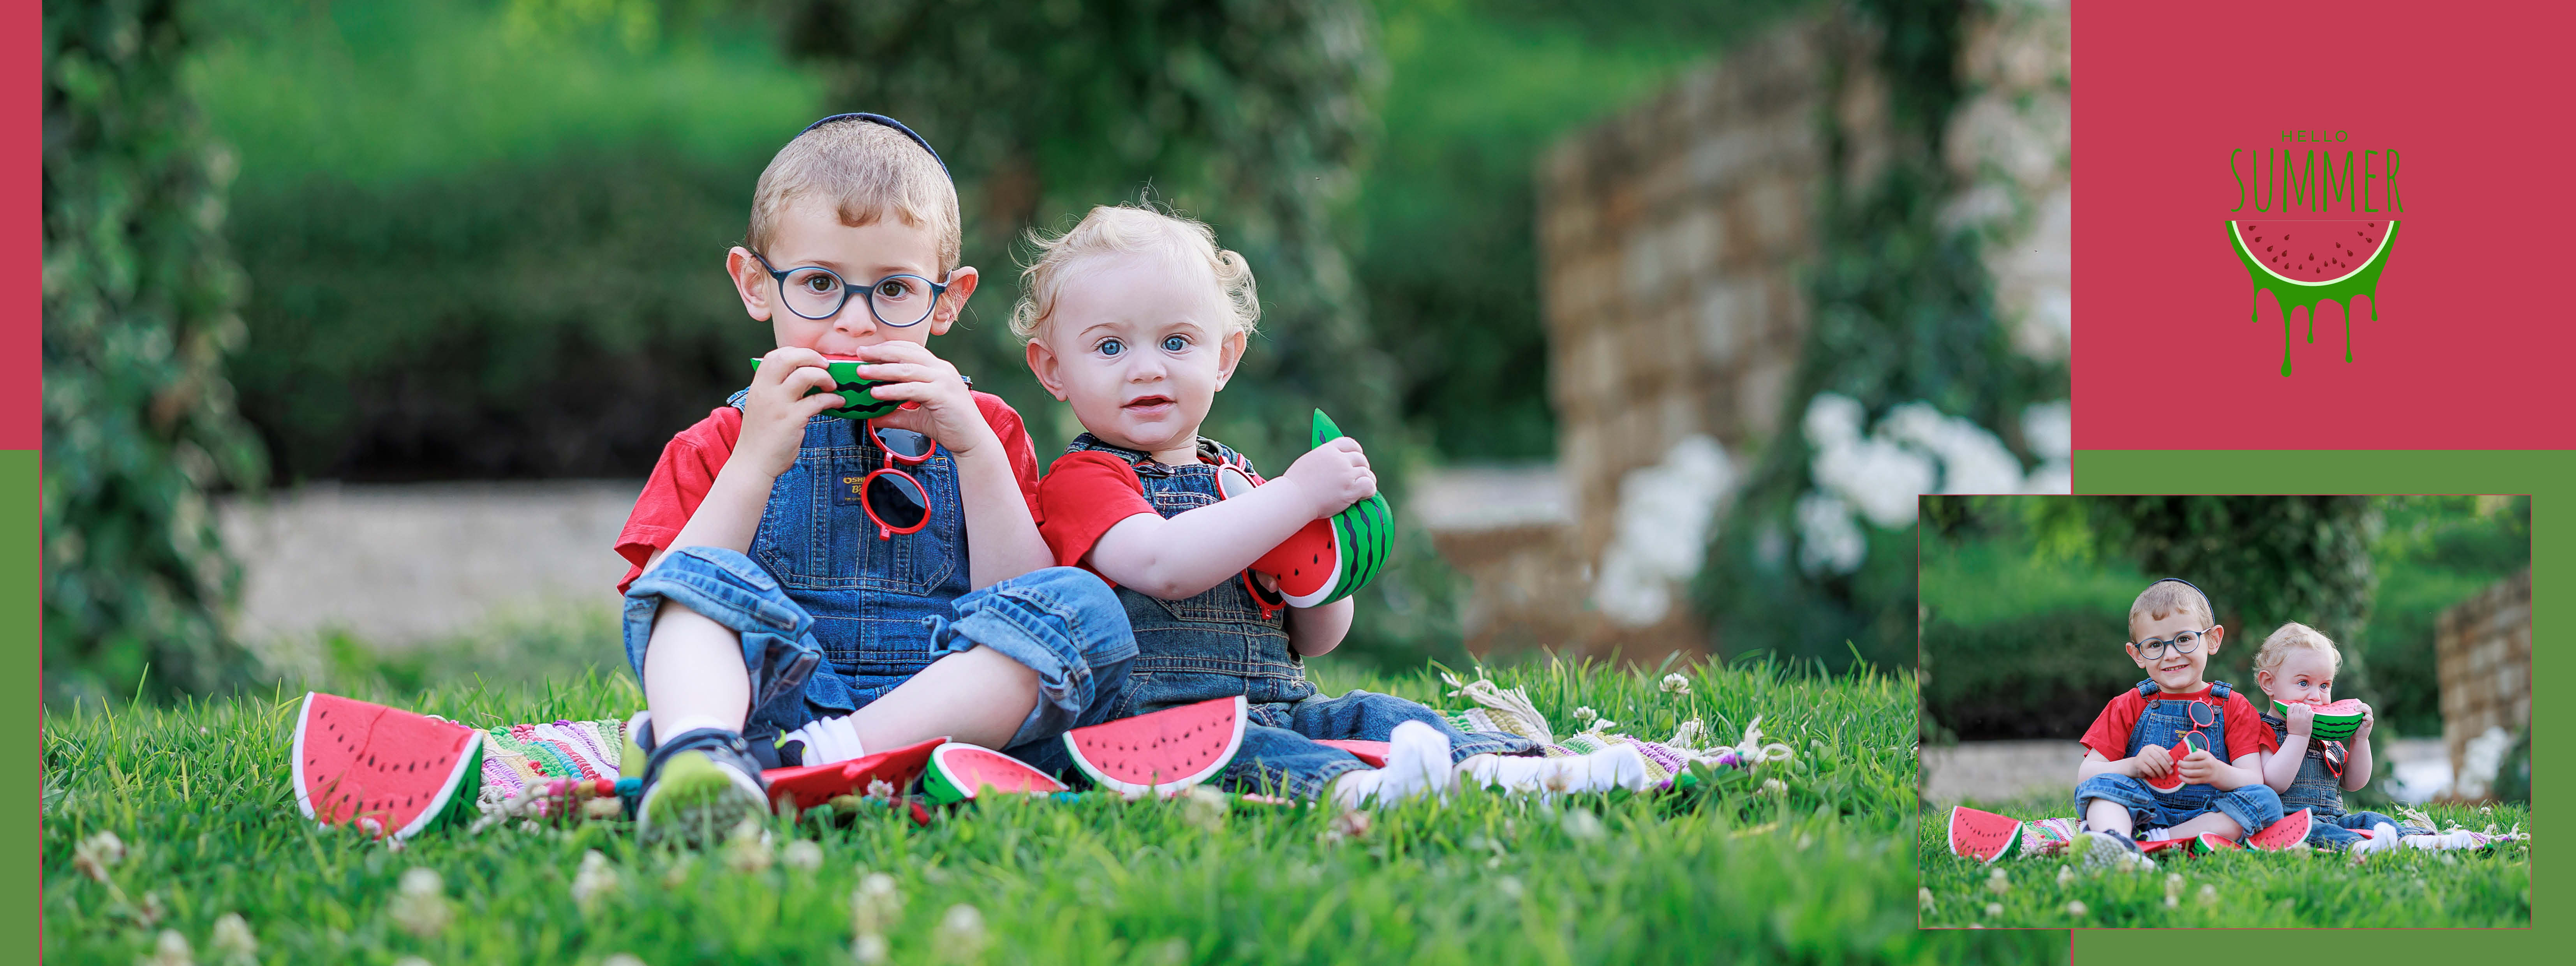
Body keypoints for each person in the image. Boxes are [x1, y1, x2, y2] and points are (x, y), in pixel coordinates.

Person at [1013, 204, 1649, 807]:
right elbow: (1164, 565)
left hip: (1280, 702)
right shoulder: (1082, 481)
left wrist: (1319, 560)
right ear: (1052, 369)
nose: (1148, 369)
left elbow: (1317, 637)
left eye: (1176, 342)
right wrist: (1294, 497)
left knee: (1375, 713)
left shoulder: (1239, 480)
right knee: (1255, 754)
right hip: (1158, 724)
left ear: (1224, 358)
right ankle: (1362, 790)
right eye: (1110, 347)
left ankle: (1519, 772)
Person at [613, 114, 1135, 842]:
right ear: (756, 285)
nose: (856, 323)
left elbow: (1020, 599)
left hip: (949, 718)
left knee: (1085, 606)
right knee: (687, 577)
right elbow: (661, 601)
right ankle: (703, 752)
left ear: (946, 300)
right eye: (819, 283)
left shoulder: (985, 430)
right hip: (773, 706)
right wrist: (754, 462)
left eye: (893, 289)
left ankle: (810, 764)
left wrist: (976, 454)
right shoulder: (722, 440)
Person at [2069, 578, 2286, 866]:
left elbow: (2252, 779)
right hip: (2140, 812)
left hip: (2208, 815)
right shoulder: (2127, 705)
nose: (2171, 655)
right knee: (2100, 788)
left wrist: (2216, 772)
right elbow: (2087, 774)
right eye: (2155, 645)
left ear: (2213, 640)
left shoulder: (2234, 706)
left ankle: (2155, 843)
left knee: (2265, 800)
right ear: (2137, 655)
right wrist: (2133, 766)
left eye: (2184, 639)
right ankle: (2117, 841)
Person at [2251, 622, 2444, 854]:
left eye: (2325, 685)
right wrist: (2299, 736)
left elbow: (2354, 783)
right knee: (2319, 831)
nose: (2316, 697)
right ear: (2269, 683)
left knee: (2370, 819)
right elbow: (2273, 783)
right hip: (2292, 823)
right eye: (2304, 683)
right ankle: (2361, 848)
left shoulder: (2325, 733)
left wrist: (2360, 741)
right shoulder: (2263, 729)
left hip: (2337, 818)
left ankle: (2418, 841)